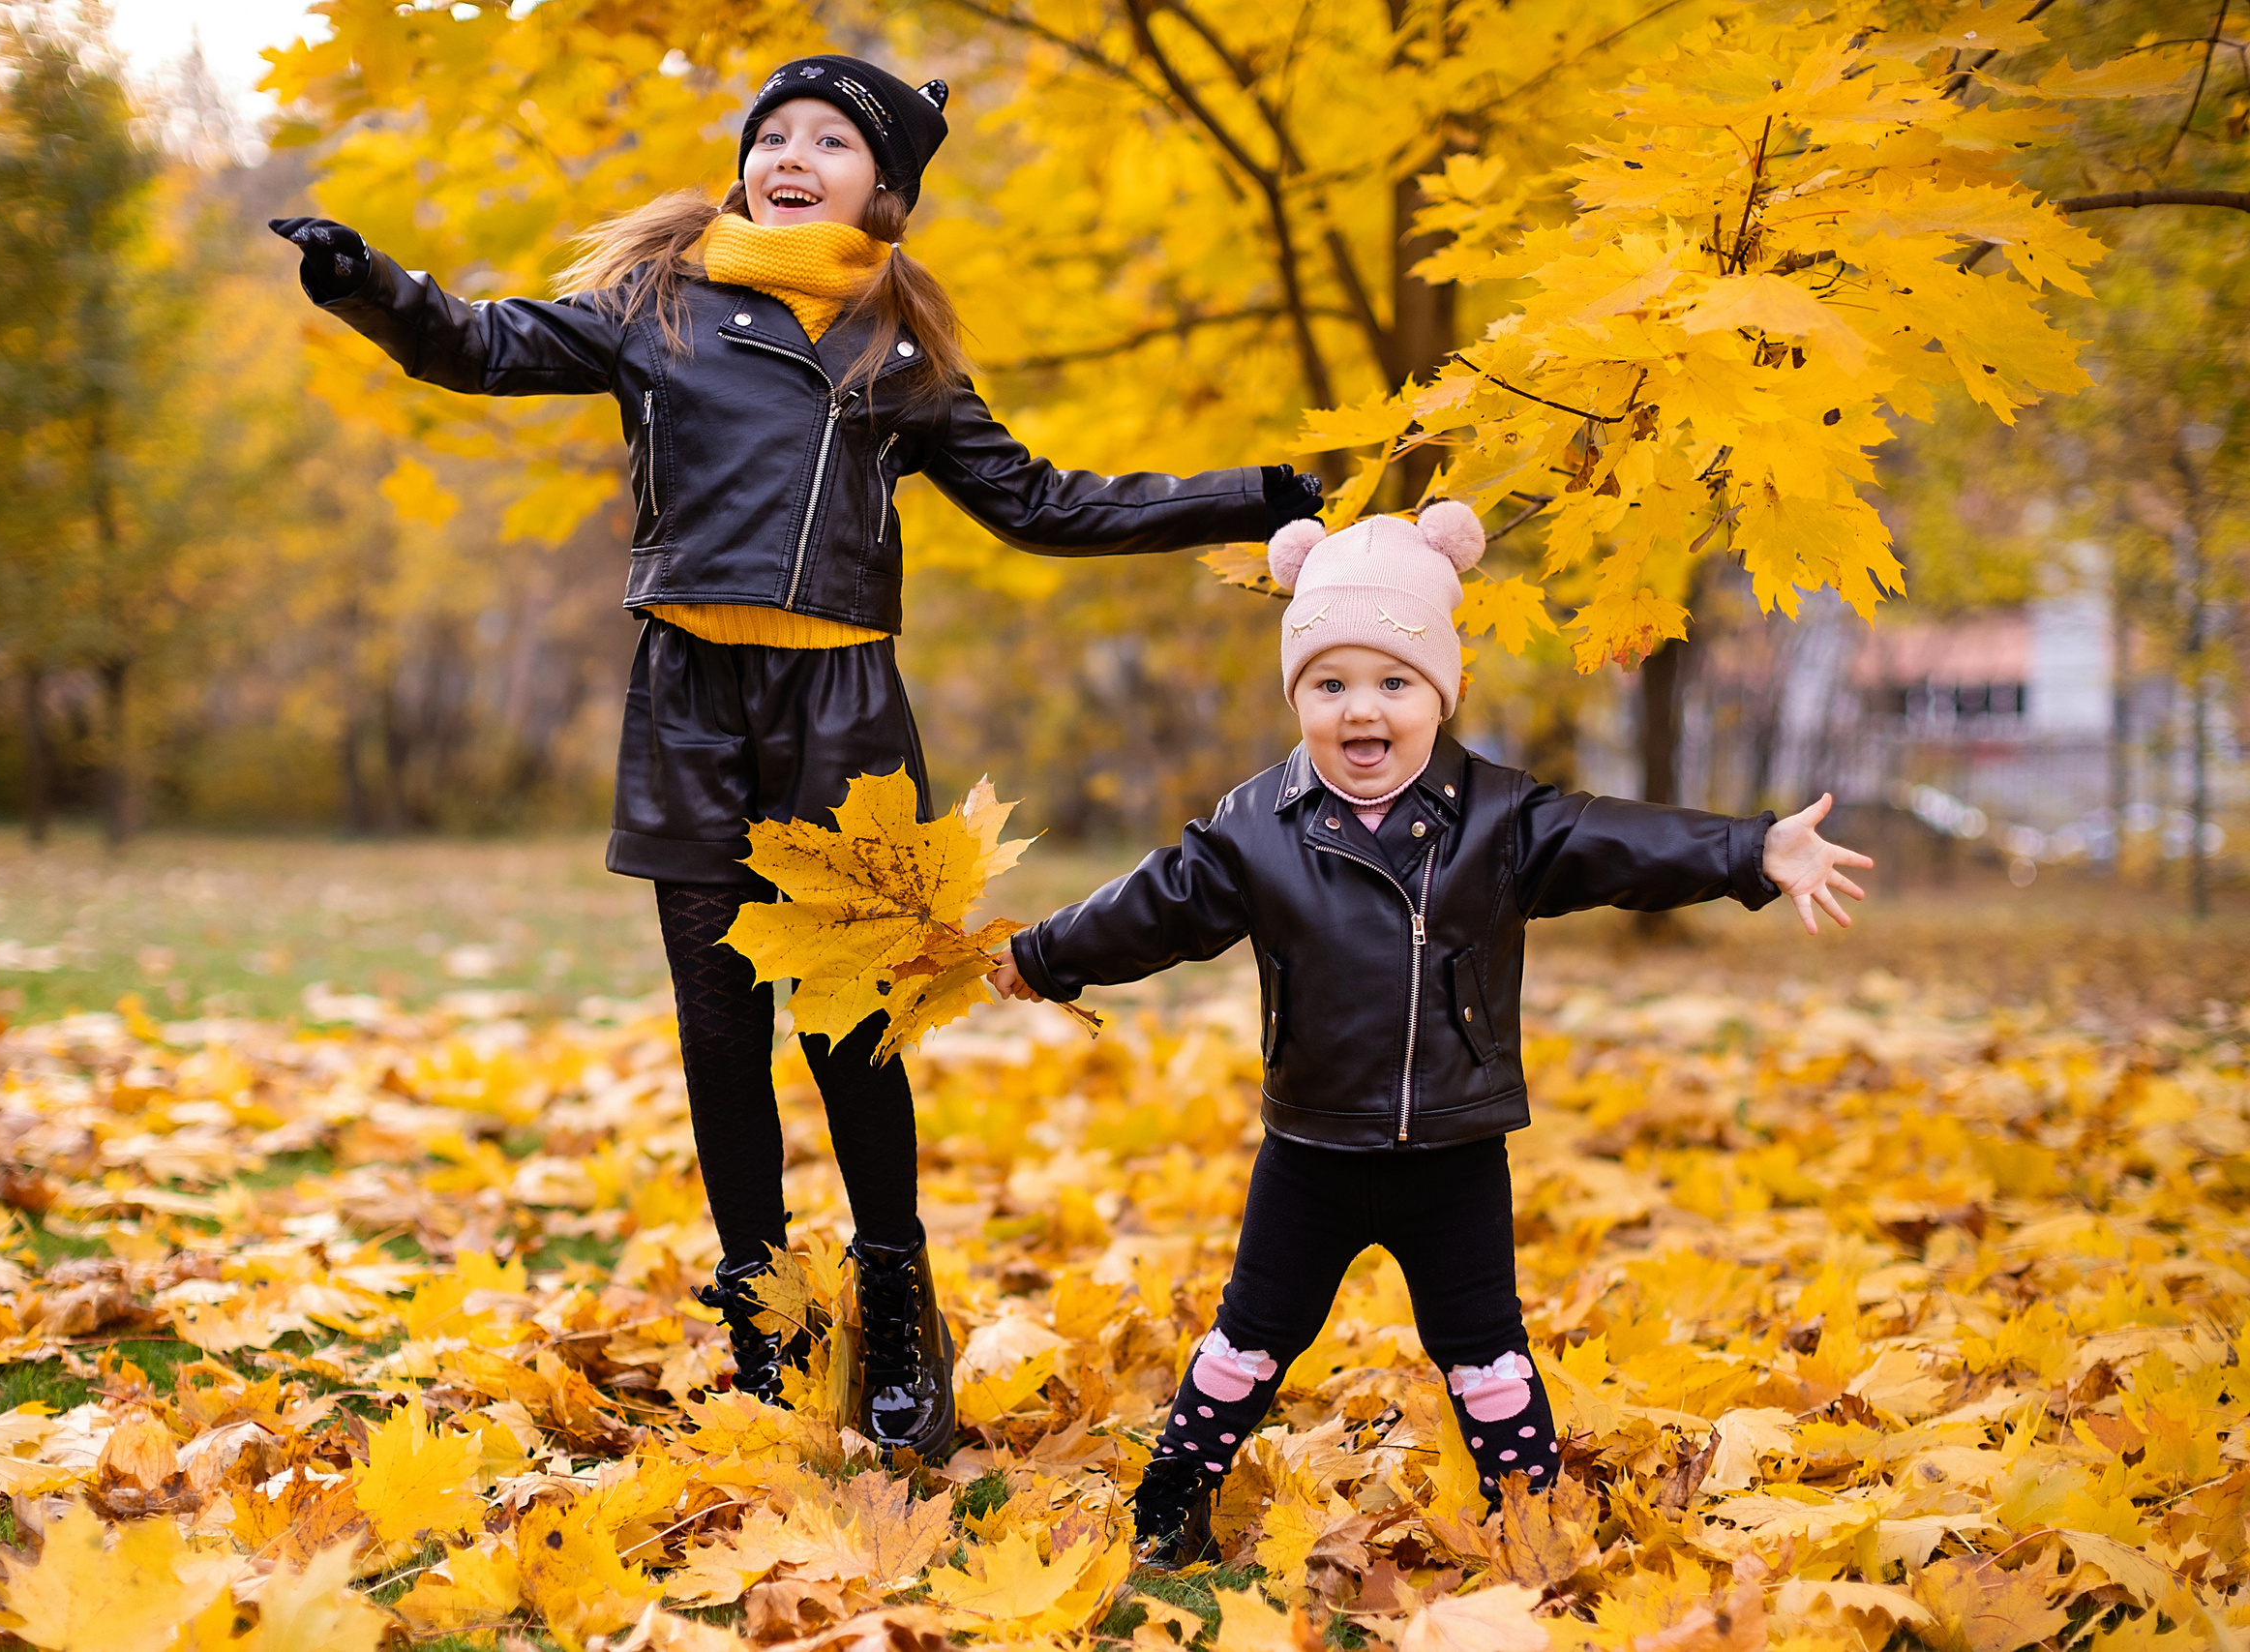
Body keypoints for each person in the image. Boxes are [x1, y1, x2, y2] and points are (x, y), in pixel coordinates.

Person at [267, 54, 1325, 1464]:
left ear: (884, 189)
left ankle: (896, 1298)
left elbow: (1045, 504)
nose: (791, 153)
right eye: (774, 133)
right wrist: (363, 282)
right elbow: (480, 344)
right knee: (723, 1038)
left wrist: (1254, 496)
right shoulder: (656, 309)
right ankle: (765, 1313)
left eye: (830, 139)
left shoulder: (899, 355)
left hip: (841, 722)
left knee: (849, 1041)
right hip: (691, 710)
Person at [989, 503, 1874, 1562]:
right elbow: (1153, 905)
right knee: (1248, 1341)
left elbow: (1616, 842)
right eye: (1330, 685)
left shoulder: (1498, 821)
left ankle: (1529, 1524)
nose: (1361, 710)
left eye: (1392, 684)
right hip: (1310, 1151)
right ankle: (1171, 1504)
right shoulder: (1256, 826)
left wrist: (1748, 851)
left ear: (1439, 695)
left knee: (1485, 1354)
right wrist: (1044, 954)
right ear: (1300, 697)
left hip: (1453, 1153)